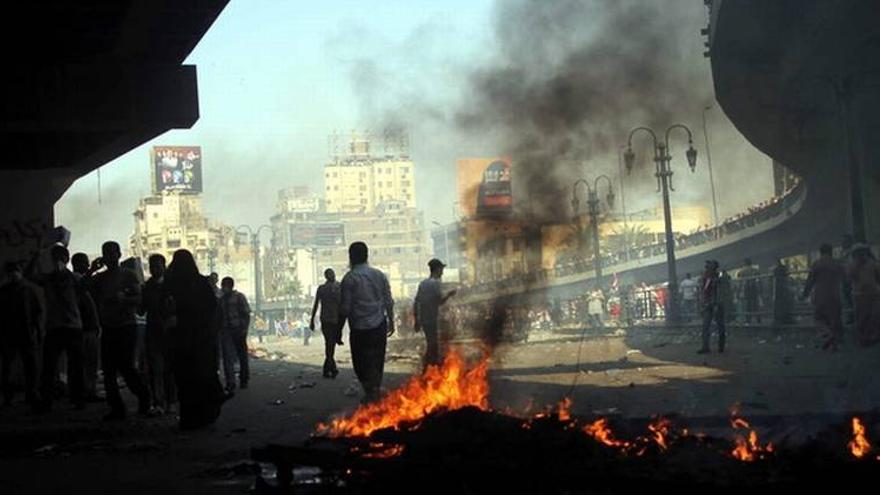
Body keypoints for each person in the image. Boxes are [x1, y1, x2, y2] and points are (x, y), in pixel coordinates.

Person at [29, 245, 95, 412]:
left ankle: (69, 399)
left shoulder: (70, 278)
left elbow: (85, 288)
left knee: (67, 366)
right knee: (55, 366)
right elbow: (29, 276)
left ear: (65, 259)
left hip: (66, 326)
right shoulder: (52, 278)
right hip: (63, 326)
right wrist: (35, 257)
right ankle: (59, 400)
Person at [91, 241, 151, 420]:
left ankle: (143, 397)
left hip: (126, 326)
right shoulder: (100, 278)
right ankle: (117, 408)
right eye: (105, 253)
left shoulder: (128, 275)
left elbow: (139, 299)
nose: (109, 257)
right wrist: (92, 269)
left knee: (126, 367)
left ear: (118, 254)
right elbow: (81, 287)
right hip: (109, 327)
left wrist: (123, 299)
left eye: (111, 253)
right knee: (109, 370)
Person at [165, 249, 225, 430]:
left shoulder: (171, 283)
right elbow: (213, 310)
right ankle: (204, 414)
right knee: (201, 378)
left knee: (185, 382)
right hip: (200, 341)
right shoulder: (200, 283)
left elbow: (166, 309)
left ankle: (189, 419)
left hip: (181, 341)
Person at [340, 242, 394, 403]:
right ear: (366, 255)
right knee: (377, 360)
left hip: (359, 329)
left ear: (351, 257)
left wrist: (338, 330)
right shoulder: (379, 275)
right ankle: (374, 391)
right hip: (379, 325)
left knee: (360, 362)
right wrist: (391, 321)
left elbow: (345, 308)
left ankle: (371, 392)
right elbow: (388, 301)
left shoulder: (349, 278)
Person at [0, 261, 43, 408]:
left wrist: (38, 331)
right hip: (16, 334)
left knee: (20, 367)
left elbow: (37, 313)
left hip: (20, 334)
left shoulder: (24, 290)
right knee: (16, 367)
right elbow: (37, 313)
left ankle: (26, 395)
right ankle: (19, 396)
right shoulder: (27, 290)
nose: (14, 274)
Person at [140, 254, 176, 413]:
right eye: (152, 266)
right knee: (155, 370)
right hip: (153, 331)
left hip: (168, 332)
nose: (155, 268)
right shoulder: (147, 287)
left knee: (169, 370)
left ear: (164, 266)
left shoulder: (171, 286)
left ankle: (170, 401)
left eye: (158, 265)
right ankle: (159, 402)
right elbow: (141, 310)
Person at [802, 244, 846, 350]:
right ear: (830, 252)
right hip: (835, 295)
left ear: (821, 252)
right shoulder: (837, 263)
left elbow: (810, 281)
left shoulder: (816, 264)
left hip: (820, 296)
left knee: (819, 319)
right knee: (835, 320)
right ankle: (834, 344)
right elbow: (846, 279)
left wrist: (805, 293)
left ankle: (827, 334)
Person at [413, 259, 457, 368]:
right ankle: (431, 366)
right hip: (432, 319)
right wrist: (449, 294)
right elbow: (440, 301)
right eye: (441, 269)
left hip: (424, 319)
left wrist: (417, 320)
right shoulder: (436, 283)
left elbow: (416, 302)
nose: (442, 272)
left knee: (431, 343)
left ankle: (430, 366)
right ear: (437, 269)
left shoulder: (423, 284)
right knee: (433, 344)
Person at [71, 252, 102, 402]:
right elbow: (80, 287)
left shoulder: (85, 280)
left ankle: (88, 391)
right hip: (83, 328)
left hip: (89, 328)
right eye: (85, 263)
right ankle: (85, 392)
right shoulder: (74, 280)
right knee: (85, 363)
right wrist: (92, 271)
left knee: (89, 363)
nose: (87, 266)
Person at [218, 277, 251, 394]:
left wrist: (245, 328)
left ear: (231, 286)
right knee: (228, 358)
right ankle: (230, 382)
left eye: (226, 285)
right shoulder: (221, 300)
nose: (224, 288)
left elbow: (246, 313)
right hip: (226, 331)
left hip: (238, 330)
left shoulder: (239, 297)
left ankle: (243, 379)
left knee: (242, 356)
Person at [310, 268, 343, 378]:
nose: (332, 276)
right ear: (326, 276)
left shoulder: (337, 287)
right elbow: (316, 304)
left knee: (330, 343)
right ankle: (330, 368)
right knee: (330, 343)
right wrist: (312, 320)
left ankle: (329, 368)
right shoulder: (326, 288)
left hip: (333, 320)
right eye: (330, 274)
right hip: (329, 320)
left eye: (333, 273)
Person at [847, 244, 880, 347]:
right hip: (859, 295)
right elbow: (849, 278)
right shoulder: (852, 266)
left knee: (874, 316)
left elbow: (878, 277)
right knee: (861, 318)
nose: (860, 254)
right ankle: (863, 338)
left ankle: (874, 337)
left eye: (862, 252)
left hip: (873, 294)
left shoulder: (873, 264)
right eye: (858, 253)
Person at [698, 260, 726, 354]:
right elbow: (703, 293)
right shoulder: (706, 279)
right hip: (708, 305)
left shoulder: (717, 279)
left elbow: (719, 293)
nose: (705, 269)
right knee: (706, 326)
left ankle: (720, 346)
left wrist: (717, 304)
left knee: (719, 326)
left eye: (708, 267)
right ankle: (706, 347)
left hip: (716, 304)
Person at [738, 258, 761, 324]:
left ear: (744, 263)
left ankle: (748, 319)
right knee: (755, 304)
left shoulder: (742, 271)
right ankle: (758, 319)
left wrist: (739, 291)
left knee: (747, 305)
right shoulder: (755, 270)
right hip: (754, 288)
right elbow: (758, 280)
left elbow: (740, 282)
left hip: (746, 289)